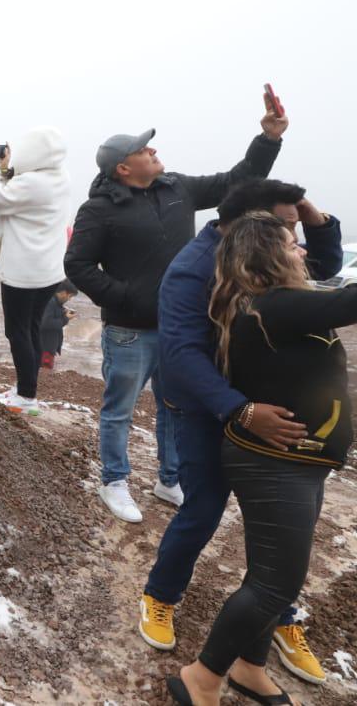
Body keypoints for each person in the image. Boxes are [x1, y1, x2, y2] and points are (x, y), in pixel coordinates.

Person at [139, 180, 341, 684]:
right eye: (287, 226)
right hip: (206, 407)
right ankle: (161, 594)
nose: (294, 237)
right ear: (251, 226)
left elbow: (328, 270)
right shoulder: (191, 269)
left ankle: (275, 615)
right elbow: (181, 356)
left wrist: (312, 217)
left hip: (259, 406)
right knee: (205, 507)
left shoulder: (267, 256)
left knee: (276, 527)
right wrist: (240, 410)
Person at [65, 99, 285, 523]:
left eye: (150, 147)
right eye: (143, 150)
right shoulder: (99, 209)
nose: (153, 151)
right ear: (123, 168)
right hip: (129, 330)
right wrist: (125, 297)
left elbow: (237, 181)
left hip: (181, 329)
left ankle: (169, 479)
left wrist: (269, 138)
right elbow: (77, 265)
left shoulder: (177, 188)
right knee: (119, 409)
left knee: (175, 407)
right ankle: (113, 480)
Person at [0, 128, 71, 413]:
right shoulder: (58, 177)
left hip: (23, 272)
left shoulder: (32, 184)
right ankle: (25, 389)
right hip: (46, 272)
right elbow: (17, 191)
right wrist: (6, 170)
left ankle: (26, 396)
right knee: (30, 328)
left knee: (17, 331)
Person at [40, 280, 80, 369]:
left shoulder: (55, 302)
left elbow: (49, 318)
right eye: (69, 296)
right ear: (63, 292)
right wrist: (66, 318)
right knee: (44, 373)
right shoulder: (51, 302)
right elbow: (45, 323)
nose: (69, 299)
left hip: (47, 346)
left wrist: (62, 313)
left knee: (44, 373)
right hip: (45, 347)